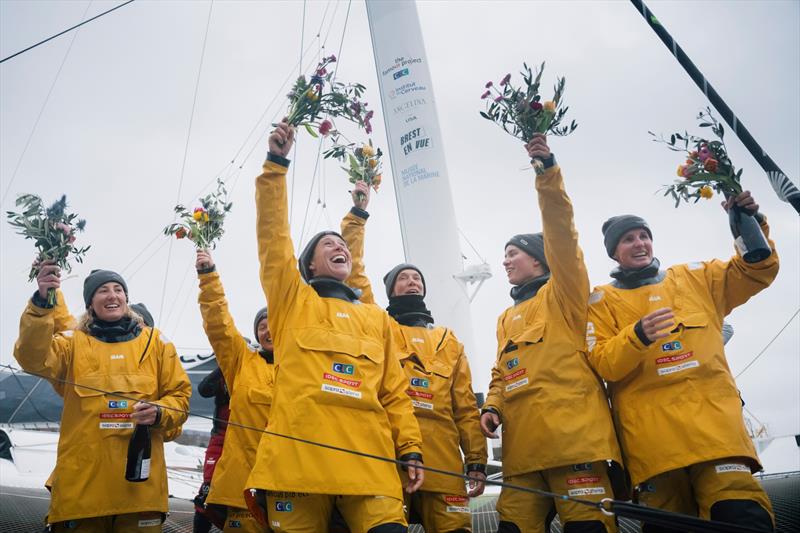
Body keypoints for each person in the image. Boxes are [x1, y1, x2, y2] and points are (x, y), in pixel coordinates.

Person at [244, 120, 424, 533]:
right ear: (308, 265)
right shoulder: (292, 301)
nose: (339, 246)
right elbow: (273, 239)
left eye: (342, 244)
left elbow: (394, 393)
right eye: (328, 244)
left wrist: (410, 448)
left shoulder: (374, 317)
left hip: (370, 462)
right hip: (298, 463)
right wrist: (276, 165)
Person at [586, 192, 778, 532]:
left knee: (741, 516)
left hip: (717, 436)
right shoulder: (602, 302)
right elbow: (604, 364)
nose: (640, 243)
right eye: (628, 239)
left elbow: (755, 271)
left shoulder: (696, 278)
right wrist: (638, 335)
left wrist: (750, 222)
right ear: (614, 251)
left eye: (644, 235)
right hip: (655, 448)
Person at [479, 135, 622, 533]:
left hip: (574, 445)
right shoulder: (506, 318)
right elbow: (502, 374)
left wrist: (547, 173)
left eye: (514, 253)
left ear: (540, 260)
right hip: (522, 455)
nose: (505, 260)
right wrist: (492, 407)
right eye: (504, 254)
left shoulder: (564, 295)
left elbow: (562, 235)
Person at [341, 181, 487, 532]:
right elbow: (355, 273)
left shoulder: (448, 340)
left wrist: (477, 461)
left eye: (417, 278)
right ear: (390, 289)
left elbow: (465, 408)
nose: (412, 282)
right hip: (389, 456)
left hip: (444, 463)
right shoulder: (381, 325)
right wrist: (358, 217)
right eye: (403, 278)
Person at [15, 264, 191, 532]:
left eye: (118, 289)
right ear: (90, 303)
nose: (112, 295)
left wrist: (160, 412)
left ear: (126, 299)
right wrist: (42, 302)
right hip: (81, 494)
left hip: (140, 494)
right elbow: (32, 358)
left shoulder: (156, 342)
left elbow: (180, 395)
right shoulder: (71, 343)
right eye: (103, 291)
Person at [194, 249, 275, 532]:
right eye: (263, 326)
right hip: (242, 484)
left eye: (275, 322)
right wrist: (208, 276)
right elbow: (219, 326)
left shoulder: (304, 365)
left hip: (293, 484)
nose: (269, 330)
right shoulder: (242, 361)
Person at [193, 365, 231, 532]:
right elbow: (204, 389)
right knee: (207, 494)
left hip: (250, 440)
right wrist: (223, 366)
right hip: (220, 439)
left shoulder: (260, 368)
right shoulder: (225, 371)